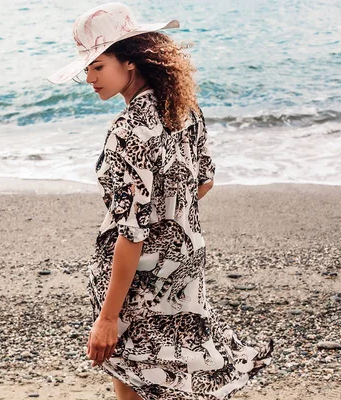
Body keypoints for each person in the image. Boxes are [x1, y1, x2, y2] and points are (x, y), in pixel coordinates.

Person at [46, 3, 274, 400]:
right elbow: (204, 181)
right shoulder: (184, 109)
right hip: (184, 263)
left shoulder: (127, 130)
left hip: (135, 275)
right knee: (165, 370)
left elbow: (132, 232)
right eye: (86, 68)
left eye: (97, 66)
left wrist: (107, 317)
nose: (89, 78)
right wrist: (171, 214)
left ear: (130, 62)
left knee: (130, 365)